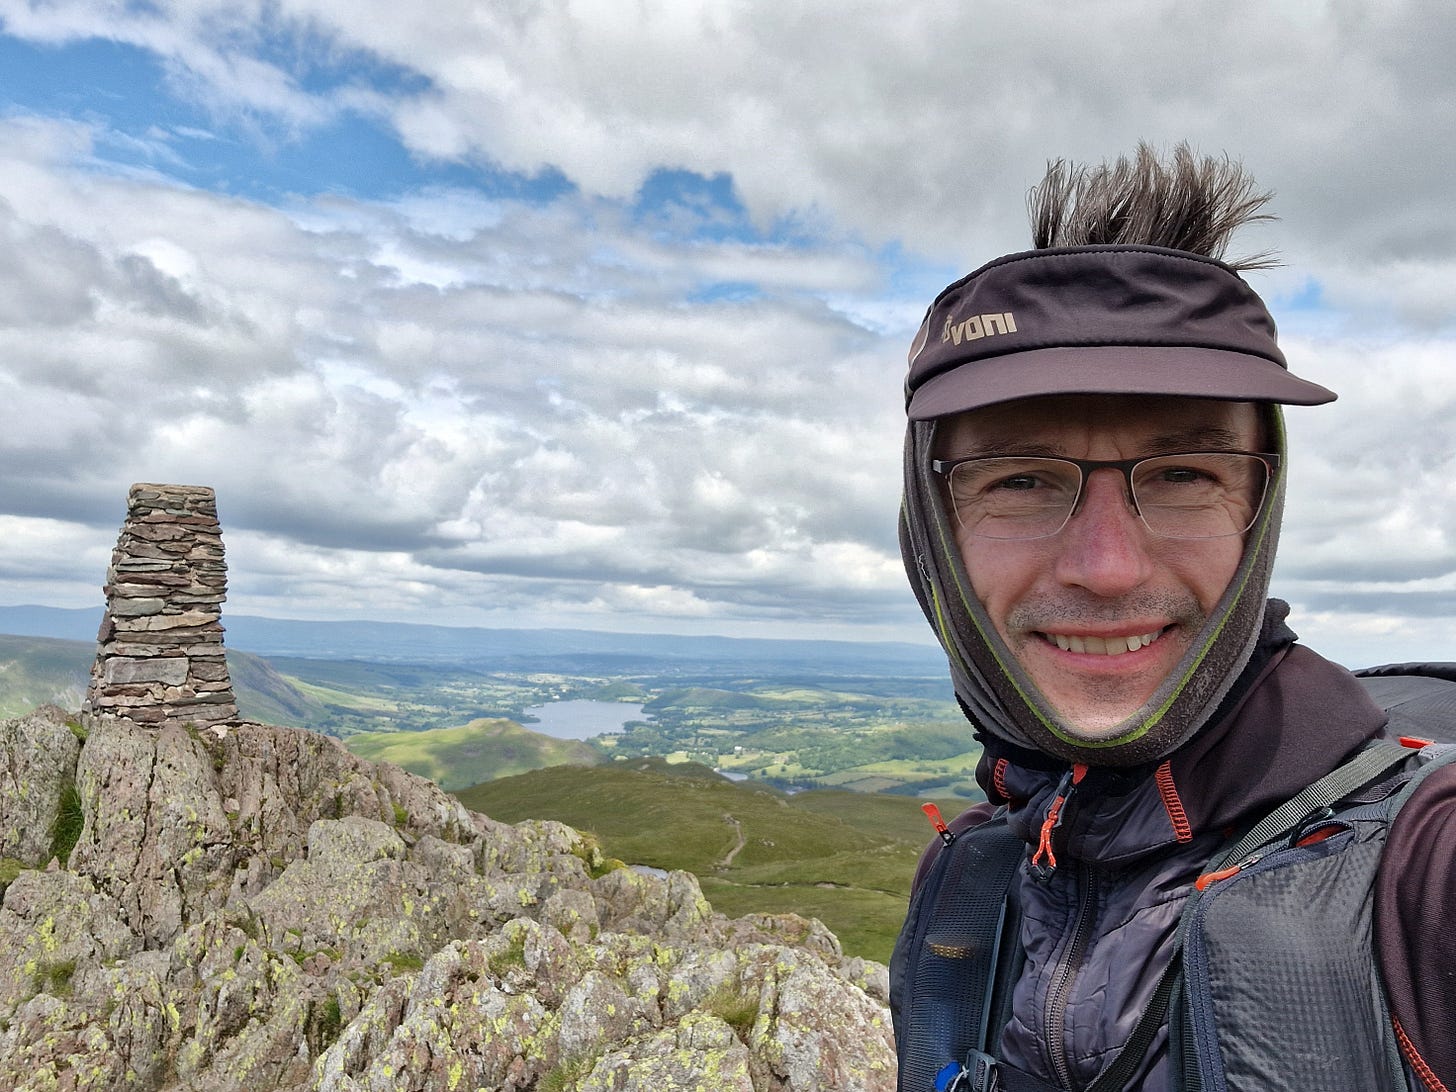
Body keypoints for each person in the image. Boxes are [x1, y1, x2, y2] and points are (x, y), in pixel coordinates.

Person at [891, 143, 1456, 1092]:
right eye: (1022, 479)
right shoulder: (970, 881)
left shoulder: (1422, 869)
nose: (1107, 569)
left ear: (1255, 511)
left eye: (1185, 474)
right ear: (931, 531)